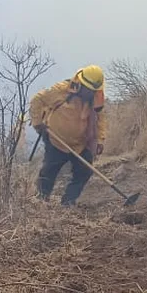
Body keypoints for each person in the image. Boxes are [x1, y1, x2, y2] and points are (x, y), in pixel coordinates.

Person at [29, 65, 108, 206]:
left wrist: (100, 140)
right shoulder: (61, 90)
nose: (90, 93)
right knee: (48, 172)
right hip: (56, 140)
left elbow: (100, 118)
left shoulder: (96, 97)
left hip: (80, 143)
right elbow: (37, 100)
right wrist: (37, 122)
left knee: (84, 172)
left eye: (93, 90)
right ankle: (41, 201)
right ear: (81, 84)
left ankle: (68, 202)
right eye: (88, 89)